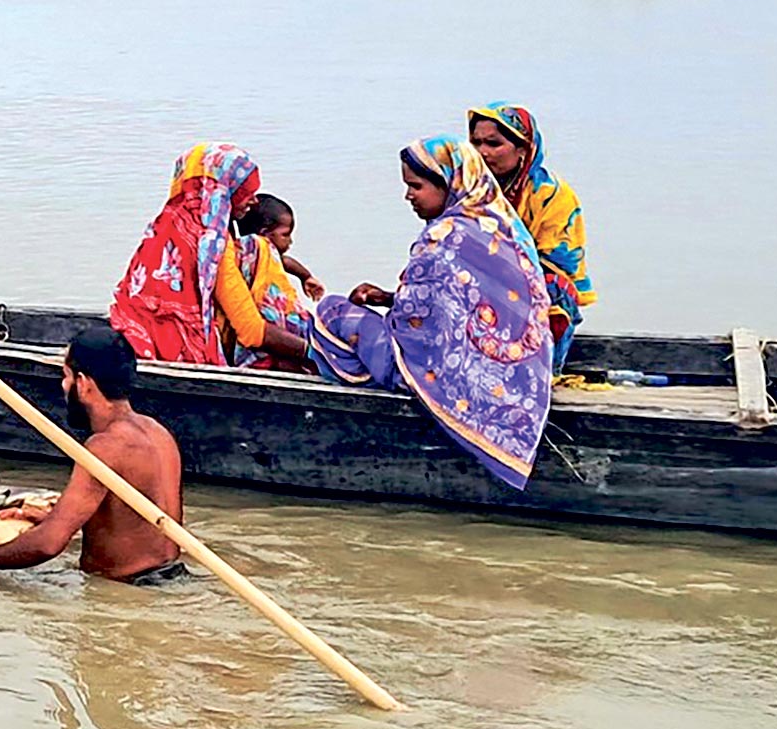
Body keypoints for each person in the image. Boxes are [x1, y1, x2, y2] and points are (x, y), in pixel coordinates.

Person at [307, 136, 556, 490]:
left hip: (444, 371)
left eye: (416, 186)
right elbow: (453, 303)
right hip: (518, 375)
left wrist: (393, 310)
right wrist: (388, 297)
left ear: (448, 184)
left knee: (331, 313)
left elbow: (415, 326)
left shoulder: (443, 237)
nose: (408, 195)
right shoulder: (504, 225)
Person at [0, 327, 187, 584]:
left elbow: (49, 544)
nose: (63, 385)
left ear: (84, 383)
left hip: (130, 592)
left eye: (65, 376)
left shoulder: (106, 447)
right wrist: (53, 518)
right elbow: (132, 522)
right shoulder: (158, 433)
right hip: (172, 579)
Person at [108, 143, 314, 370]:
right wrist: (312, 352)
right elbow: (252, 331)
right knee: (259, 249)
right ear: (223, 190)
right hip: (168, 348)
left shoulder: (165, 224)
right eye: (247, 192)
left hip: (133, 328)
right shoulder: (214, 244)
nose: (254, 201)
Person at [466, 102, 596, 368]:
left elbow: (557, 264)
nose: (482, 153)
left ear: (523, 149)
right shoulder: (467, 192)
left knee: (552, 288)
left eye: (493, 144)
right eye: (476, 143)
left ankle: (539, 369)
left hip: (535, 290)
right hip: (479, 288)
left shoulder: (552, 195)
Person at [242, 192, 324, 302]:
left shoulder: (268, 257)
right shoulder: (246, 256)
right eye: (285, 235)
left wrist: (305, 277)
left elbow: (283, 261)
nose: (290, 241)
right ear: (264, 233)